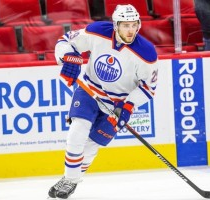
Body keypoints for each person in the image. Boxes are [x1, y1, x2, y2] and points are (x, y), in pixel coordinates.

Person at [48, 4, 158, 199]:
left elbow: (148, 88)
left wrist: (128, 107)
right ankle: (69, 180)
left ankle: (70, 180)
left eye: (134, 25)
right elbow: (65, 41)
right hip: (90, 91)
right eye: (125, 25)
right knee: (77, 130)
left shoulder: (147, 54)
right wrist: (68, 57)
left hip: (116, 105)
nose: (131, 30)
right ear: (116, 25)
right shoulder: (97, 32)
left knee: (91, 146)